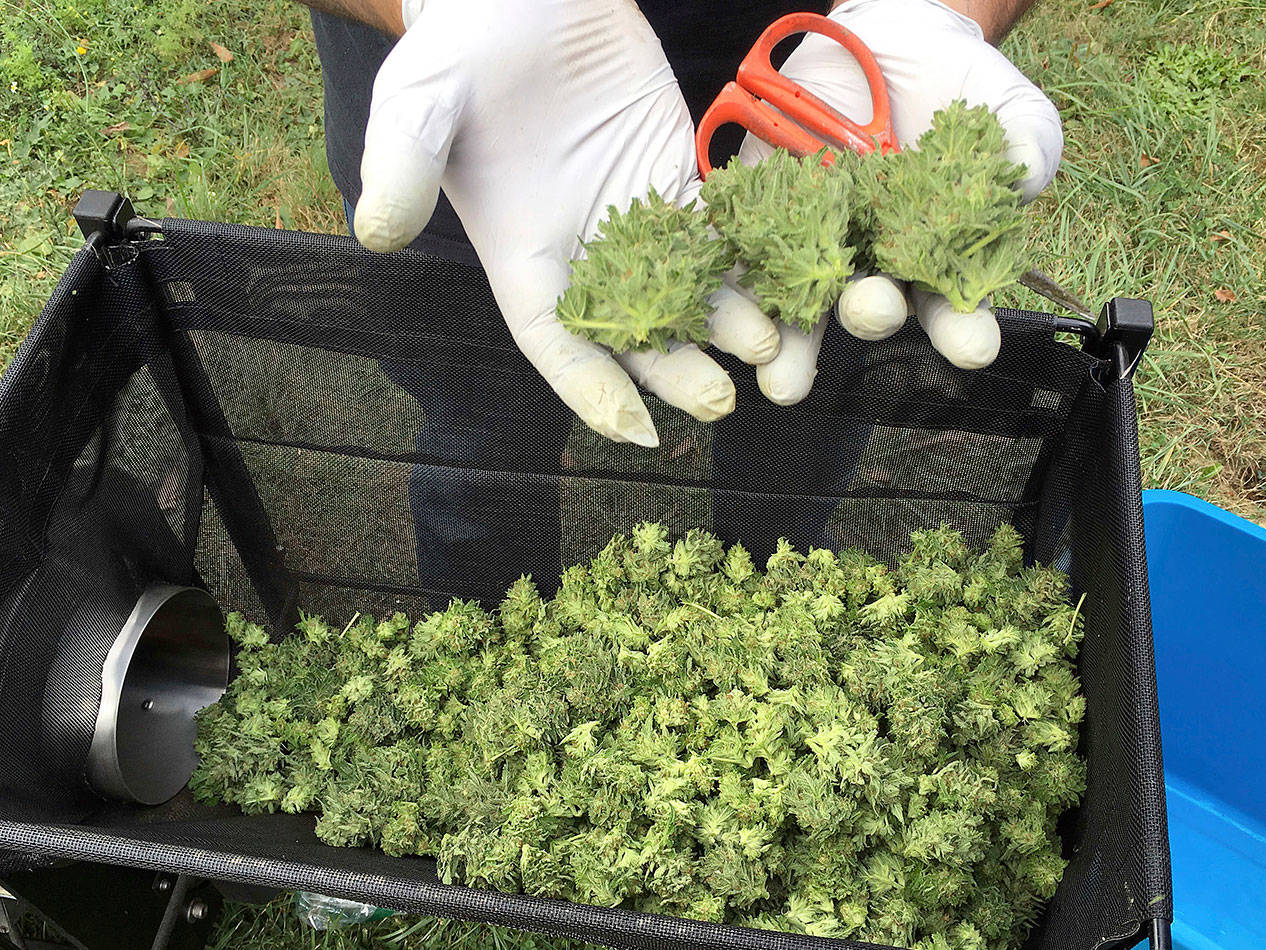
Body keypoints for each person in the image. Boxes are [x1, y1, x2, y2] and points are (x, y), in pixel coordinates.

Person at [301, 0, 1063, 592]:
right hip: (495, 119)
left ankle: (776, 596)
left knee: (799, 427)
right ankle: (482, 635)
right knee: (483, 444)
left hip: (818, 66)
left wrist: (937, 10)